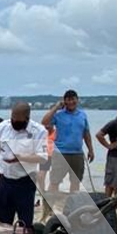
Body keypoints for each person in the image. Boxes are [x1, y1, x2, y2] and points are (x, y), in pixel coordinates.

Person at [0, 102, 48, 231]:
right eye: (12, 119)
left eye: (17, 121)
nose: (14, 123)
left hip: (25, 182)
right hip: (5, 181)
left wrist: (21, 158)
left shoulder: (39, 131)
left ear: (27, 118)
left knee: (25, 223)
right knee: (3, 223)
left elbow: (43, 157)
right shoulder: (4, 126)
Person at [40, 89, 95, 220]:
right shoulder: (59, 115)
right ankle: (48, 210)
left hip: (77, 153)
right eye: (68, 99)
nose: (71, 102)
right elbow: (44, 122)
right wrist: (56, 107)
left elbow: (86, 133)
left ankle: (72, 209)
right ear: (64, 101)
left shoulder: (82, 115)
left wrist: (91, 149)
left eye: (73, 99)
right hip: (60, 153)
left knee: (75, 182)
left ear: (77, 100)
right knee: (54, 182)